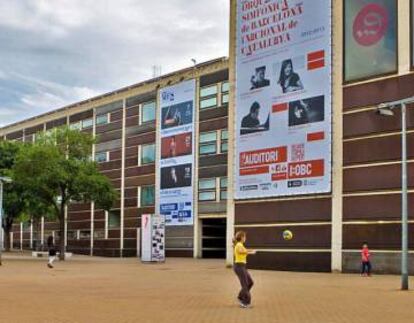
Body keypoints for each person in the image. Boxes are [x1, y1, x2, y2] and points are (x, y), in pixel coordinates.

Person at [233, 231, 256, 308]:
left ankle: (240, 296)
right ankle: (245, 303)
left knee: (250, 282)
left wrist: (250, 251)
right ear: (242, 237)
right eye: (245, 237)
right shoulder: (239, 245)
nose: (245, 238)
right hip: (239, 266)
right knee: (245, 284)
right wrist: (251, 252)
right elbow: (241, 251)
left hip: (242, 266)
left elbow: (243, 251)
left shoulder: (241, 245)